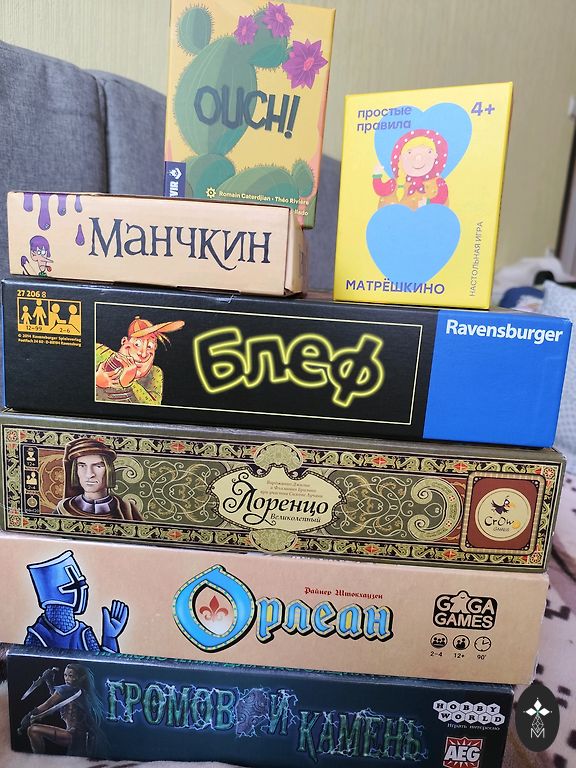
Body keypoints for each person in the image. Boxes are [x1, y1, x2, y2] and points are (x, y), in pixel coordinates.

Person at [20, 663, 105, 757]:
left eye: (71, 676)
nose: (67, 679)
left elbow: (48, 704)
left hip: (73, 736)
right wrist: (49, 681)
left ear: (81, 678)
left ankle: (39, 759)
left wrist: (29, 716)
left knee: (33, 729)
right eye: (65, 675)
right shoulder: (78, 692)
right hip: (78, 736)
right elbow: (57, 698)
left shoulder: (68, 690)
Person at [95, 315, 184, 405]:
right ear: (124, 341)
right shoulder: (99, 352)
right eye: (137, 344)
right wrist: (97, 381)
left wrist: (130, 383)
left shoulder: (155, 372)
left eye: (150, 346)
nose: (143, 354)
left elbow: (155, 405)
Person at [55, 437, 142, 520]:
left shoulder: (127, 510)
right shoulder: (64, 509)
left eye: (98, 466)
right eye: (82, 466)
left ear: (109, 470)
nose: (89, 474)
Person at [373, 128, 449, 210]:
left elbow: (442, 197)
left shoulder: (437, 182)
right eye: (409, 152)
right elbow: (382, 190)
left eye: (428, 151)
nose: (418, 158)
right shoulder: (398, 182)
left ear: (435, 155)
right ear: (401, 158)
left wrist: (428, 203)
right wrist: (377, 176)